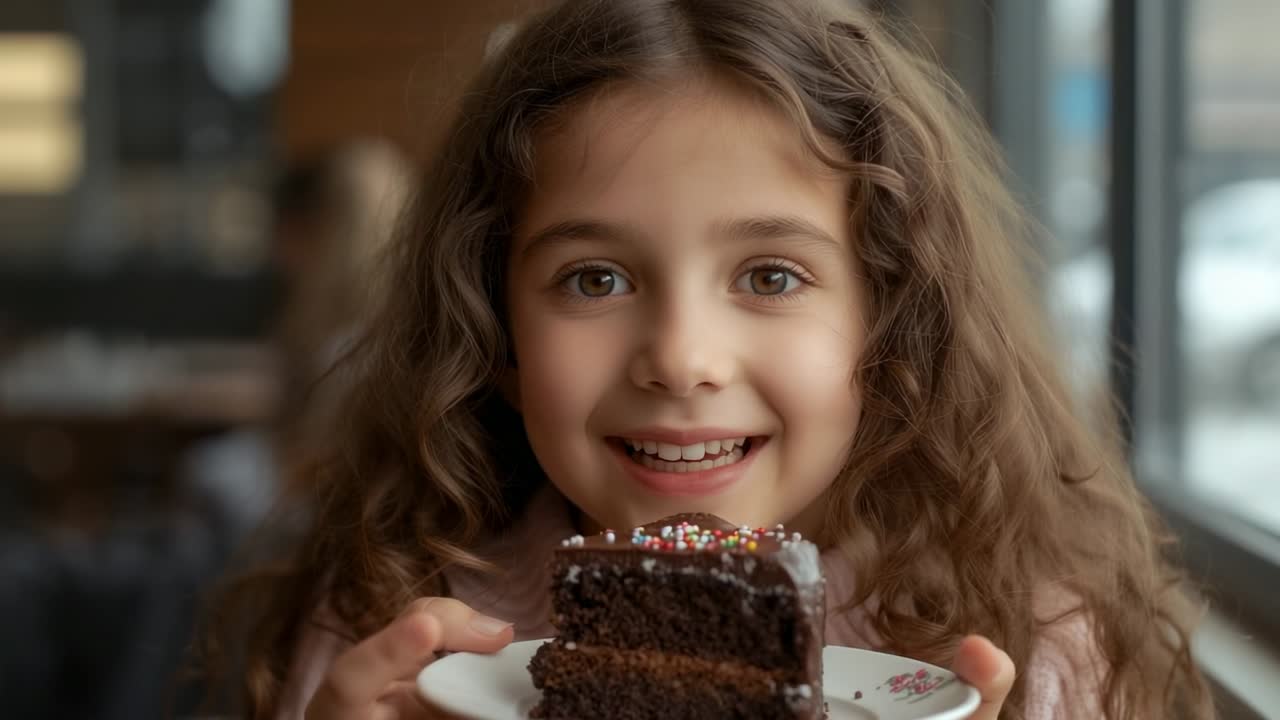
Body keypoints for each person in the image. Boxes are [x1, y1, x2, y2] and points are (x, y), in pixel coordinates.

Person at [198, 1, 1213, 718]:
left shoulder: (1024, 650)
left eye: (769, 277)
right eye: (594, 280)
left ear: (887, 325)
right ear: (495, 334)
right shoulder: (394, 639)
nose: (680, 359)